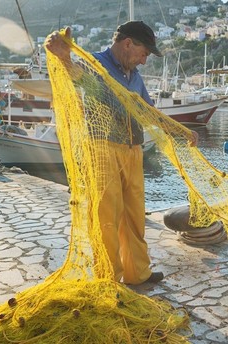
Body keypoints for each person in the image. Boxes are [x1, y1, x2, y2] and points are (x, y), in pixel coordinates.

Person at [45, 21, 194, 285]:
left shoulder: (134, 76)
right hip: (102, 148)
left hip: (132, 149)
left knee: (135, 215)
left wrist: (180, 130)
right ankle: (108, 278)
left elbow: (149, 111)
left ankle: (138, 272)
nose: (144, 60)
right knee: (107, 218)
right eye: (144, 53)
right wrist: (64, 57)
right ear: (128, 44)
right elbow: (80, 78)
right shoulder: (95, 63)